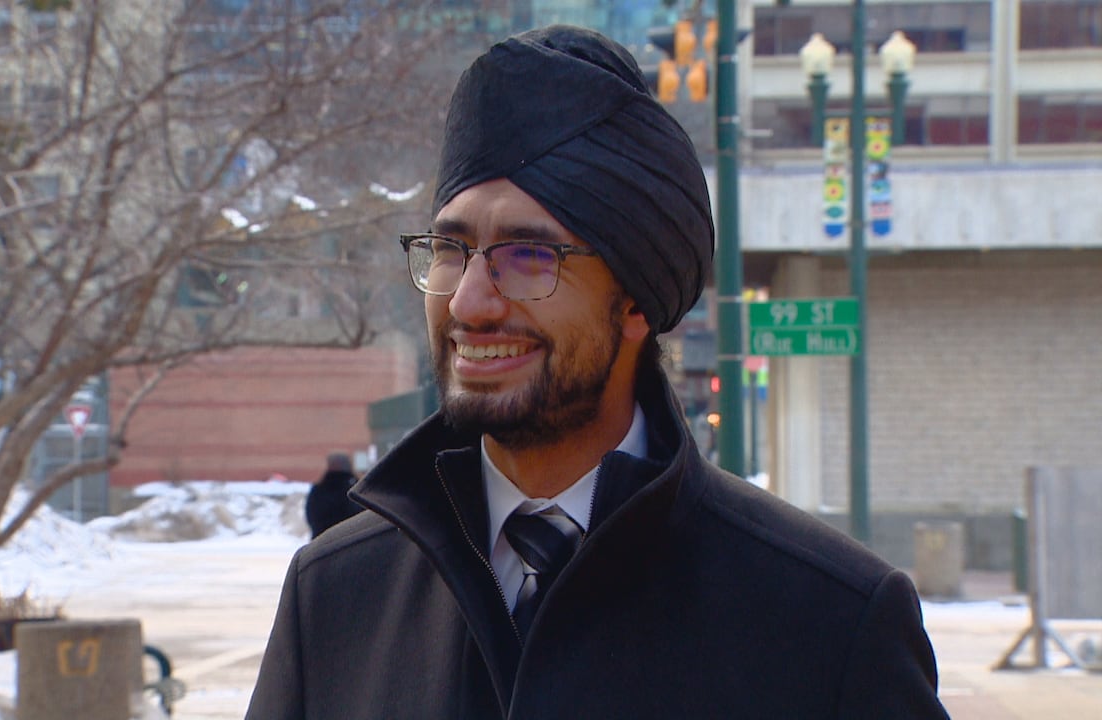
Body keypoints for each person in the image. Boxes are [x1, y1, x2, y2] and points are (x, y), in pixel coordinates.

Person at [247, 25, 948, 719]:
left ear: (636, 298)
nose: (469, 301)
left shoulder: (830, 622)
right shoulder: (335, 597)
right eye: (451, 249)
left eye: (528, 257)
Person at [304, 452, 362, 538]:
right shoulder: (355, 486)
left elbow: (311, 514)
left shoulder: (319, 488)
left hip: (322, 540)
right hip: (353, 539)